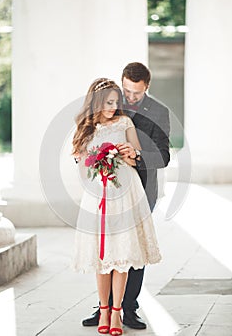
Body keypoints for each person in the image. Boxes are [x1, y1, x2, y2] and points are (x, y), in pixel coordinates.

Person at [82, 63, 170, 330]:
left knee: (134, 247)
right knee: (108, 246)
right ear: (122, 83)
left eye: (136, 93)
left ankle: (128, 308)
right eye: (127, 91)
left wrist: (138, 156)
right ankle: (104, 308)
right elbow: (87, 138)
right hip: (106, 191)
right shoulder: (110, 103)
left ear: (147, 88)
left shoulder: (159, 112)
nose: (130, 98)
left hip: (141, 188)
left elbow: (164, 156)